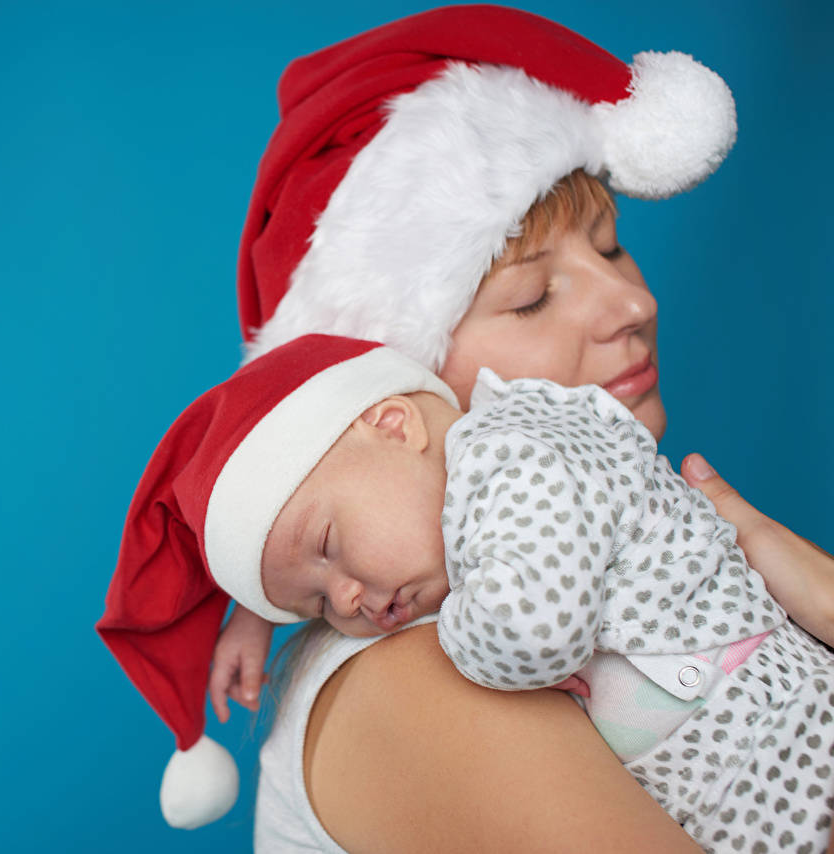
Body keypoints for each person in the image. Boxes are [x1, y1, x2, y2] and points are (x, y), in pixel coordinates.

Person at [218, 6, 834, 854]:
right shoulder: (418, 669)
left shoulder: (642, 561)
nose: (635, 304)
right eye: (531, 297)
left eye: (613, 249)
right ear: (394, 395)